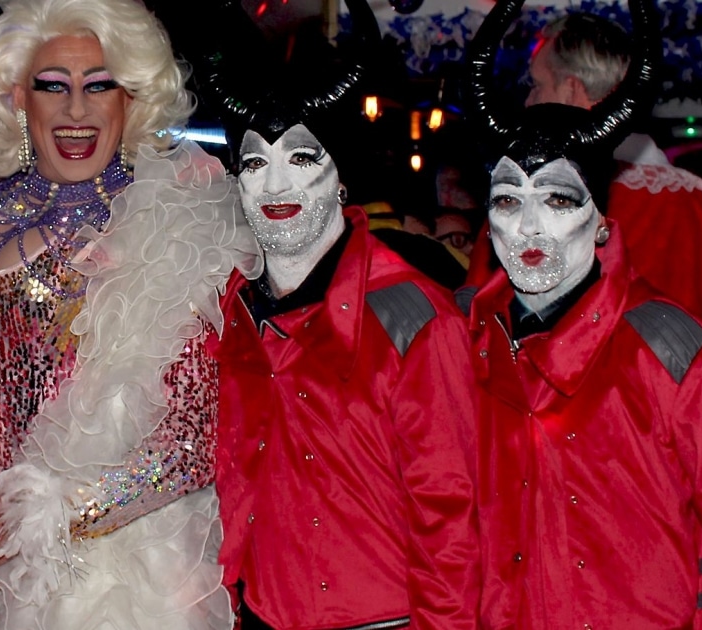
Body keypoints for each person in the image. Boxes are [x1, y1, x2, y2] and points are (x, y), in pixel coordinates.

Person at [0, 0, 260, 626]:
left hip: (96, 570)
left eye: (99, 86)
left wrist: (22, 524)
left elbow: (190, 441)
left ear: (130, 101)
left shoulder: (170, 221)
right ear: (18, 97)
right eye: (54, 86)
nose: (76, 110)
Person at [464, 1, 702, 628]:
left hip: (647, 507)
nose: (529, 224)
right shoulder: (469, 337)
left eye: (534, 84)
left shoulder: (680, 339)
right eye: (506, 202)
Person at [158, 1, 481, 627]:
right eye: (255, 163)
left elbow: (453, 518)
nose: (275, 185)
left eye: (301, 159)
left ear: (340, 177)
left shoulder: (412, 318)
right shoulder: (229, 311)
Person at [505, 7, 702, 318]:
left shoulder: (556, 197)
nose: (529, 101)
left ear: (570, 90)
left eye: (537, 85)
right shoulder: (694, 203)